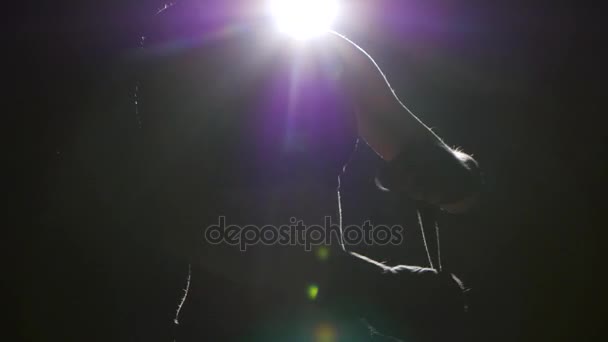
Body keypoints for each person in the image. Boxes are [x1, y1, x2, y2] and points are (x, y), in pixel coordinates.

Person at [135, 1, 481, 340]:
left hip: (325, 326)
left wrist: (459, 180)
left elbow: (438, 168)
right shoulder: (181, 41)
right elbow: (190, 221)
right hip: (228, 328)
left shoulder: (323, 47)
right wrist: (380, 284)